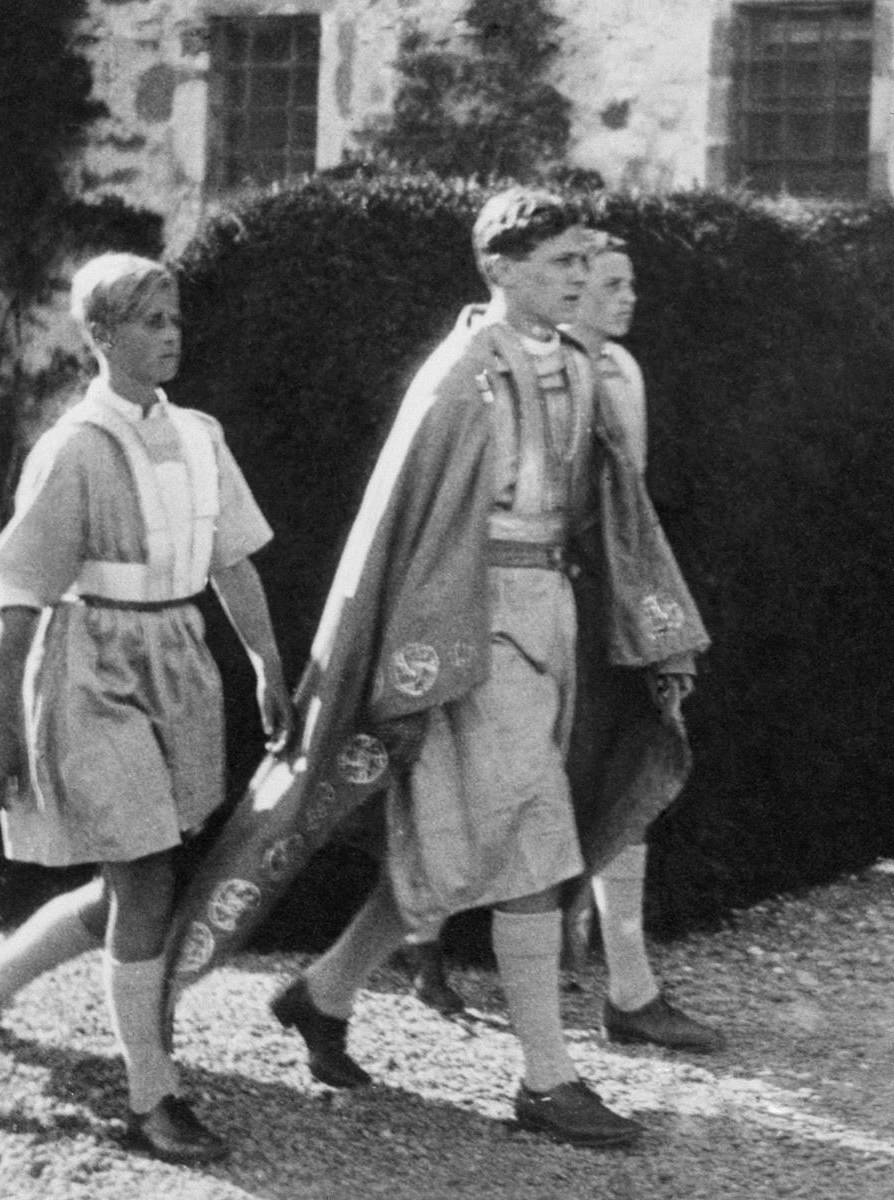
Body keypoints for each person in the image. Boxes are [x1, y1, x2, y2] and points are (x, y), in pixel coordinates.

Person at [242, 188, 709, 1150]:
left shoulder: (584, 369)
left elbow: (614, 514)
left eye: (584, 262)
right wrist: (402, 653)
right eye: (557, 264)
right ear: (499, 269)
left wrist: (651, 630)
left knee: (461, 837)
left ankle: (323, 993)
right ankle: (547, 1079)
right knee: (531, 836)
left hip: (556, 616)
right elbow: (400, 527)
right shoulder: (458, 375)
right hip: (468, 627)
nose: (578, 278)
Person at [0, 253, 293, 1165]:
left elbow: (234, 561)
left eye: (174, 318)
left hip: (178, 661)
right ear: (99, 336)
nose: (169, 335)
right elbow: (18, 596)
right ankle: (151, 1094)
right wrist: (0, 724)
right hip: (90, 665)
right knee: (143, 878)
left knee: (130, 883)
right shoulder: (74, 447)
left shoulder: (204, 436)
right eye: (147, 321)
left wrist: (265, 662)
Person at [565, 232, 723, 1053]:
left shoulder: (623, 372)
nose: (629, 297)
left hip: (613, 605)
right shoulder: (549, 372)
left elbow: (634, 508)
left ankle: (630, 988)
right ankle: (415, 950)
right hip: (549, 601)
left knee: (629, 771)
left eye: (632, 282)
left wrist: (650, 616)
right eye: (611, 284)